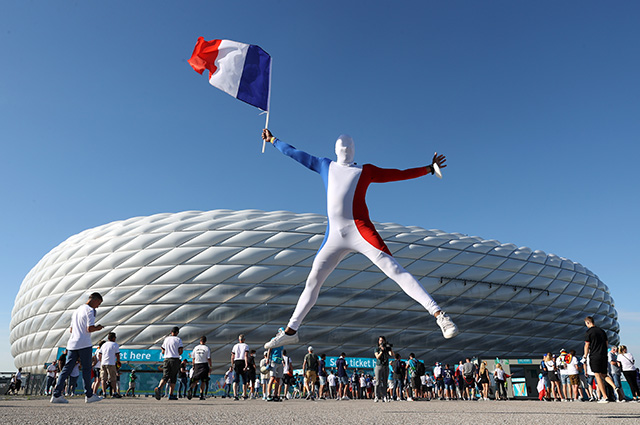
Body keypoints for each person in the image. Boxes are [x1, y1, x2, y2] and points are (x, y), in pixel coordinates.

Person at [261, 129, 458, 350]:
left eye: (349, 147)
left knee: (395, 270)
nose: (345, 149)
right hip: (334, 236)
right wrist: (273, 140)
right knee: (313, 281)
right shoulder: (325, 165)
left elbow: (397, 174)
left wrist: (429, 169)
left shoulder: (364, 170)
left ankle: (439, 314)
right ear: (336, 150)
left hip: (360, 230)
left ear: (353, 150)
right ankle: (290, 331)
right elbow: (295, 153)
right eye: (342, 147)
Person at [50, 292, 104, 404]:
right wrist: (98, 328)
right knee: (86, 369)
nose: (98, 306)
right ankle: (89, 395)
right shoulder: (90, 310)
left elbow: (71, 329)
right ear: (94, 300)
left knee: (66, 369)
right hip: (84, 344)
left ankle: (56, 395)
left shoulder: (76, 311)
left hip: (72, 344)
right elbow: (89, 328)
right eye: (98, 303)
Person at [583, 316, 619, 403]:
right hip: (603, 355)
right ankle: (615, 387)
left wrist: (585, 356)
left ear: (588, 323)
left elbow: (587, 345)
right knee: (604, 374)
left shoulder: (589, 332)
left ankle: (605, 397)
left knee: (597, 376)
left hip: (595, 356)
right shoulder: (602, 331)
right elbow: (606, 343)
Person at [154, 326, 184, 401]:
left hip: (166, 359)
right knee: (173, 377)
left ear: (171, 332)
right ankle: (171, 395)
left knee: (165, 376)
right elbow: (180, 351)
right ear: (177, 332)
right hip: (175, 359)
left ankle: (159, 388)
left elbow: (163, 351)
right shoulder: (178, 339)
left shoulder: (166, 339)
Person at [188, 336, 212, 401]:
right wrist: (210, 366)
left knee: (196, 379)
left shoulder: (196, 348)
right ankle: (201, 395)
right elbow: (208, 358)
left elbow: (193, 358)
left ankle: (190, 388)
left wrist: (193, 365)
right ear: (205, 341)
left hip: (197, 364)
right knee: (203, 381)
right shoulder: (207, 348)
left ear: (200, 341)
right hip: (204, 364)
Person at [99, 332, 121, 398]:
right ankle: (114, 392)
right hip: (111, 363)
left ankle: (104, 393)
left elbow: (100, 354)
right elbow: (117, 354)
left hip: (103, 363)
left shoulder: (104, 345)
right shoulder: (115, 345)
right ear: (113, 338)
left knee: (103, 379)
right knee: (113, 378)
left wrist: (101, 361)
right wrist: (118, 362)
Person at [374, 336, 393, 402]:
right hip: (379, 366)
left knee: (385, 382)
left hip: (386, 366)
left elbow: (391, 354)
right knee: (378, 382)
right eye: (380, 340)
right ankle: (376, 396)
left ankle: (384, 396)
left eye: (382, 340)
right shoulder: (377, 348)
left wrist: (390, 349)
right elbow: (377, 357)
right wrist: (381, 351)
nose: (381, 341)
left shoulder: (386, 348)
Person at [231, 334, 250, 400]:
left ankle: (235, 394)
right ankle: (244, 394)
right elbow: (246, 355)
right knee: (244, 379)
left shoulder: (235, 346)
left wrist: (232, 364)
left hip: (236, 361)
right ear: (244, 339)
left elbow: (232, 356)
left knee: (235, 380)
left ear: (239, 339)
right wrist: (246, 364)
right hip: (242, 361)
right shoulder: (246, 346)